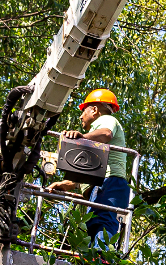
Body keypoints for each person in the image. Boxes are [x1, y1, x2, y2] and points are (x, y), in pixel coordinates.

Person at [48, 88, 130, 245]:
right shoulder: (95, 138)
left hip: (111, 182)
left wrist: (82, 137)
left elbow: (106, 134)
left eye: (83, 111)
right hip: (102, 185)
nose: (80, 116)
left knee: (104, 222)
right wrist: (64, 185)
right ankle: (94, 257)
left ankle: (100, 256)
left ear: (94, 110)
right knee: (94, 225)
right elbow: (89, 172)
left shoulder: (105, 120)